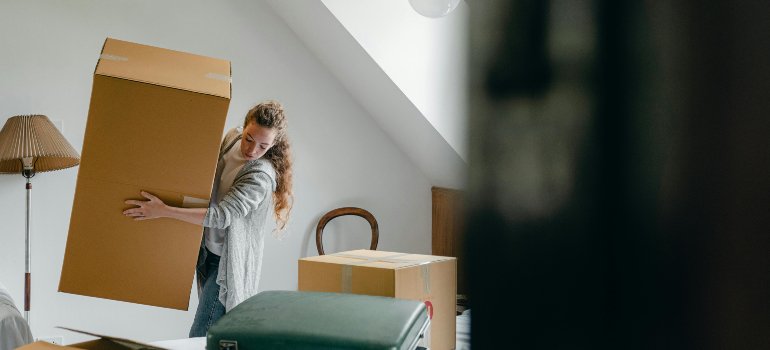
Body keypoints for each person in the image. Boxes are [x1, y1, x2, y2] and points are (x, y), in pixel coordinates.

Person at [122, 100, 293, 337]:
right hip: (207, 251)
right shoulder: (231, 140)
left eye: (263, 146)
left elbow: (221, 216)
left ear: (274, 144)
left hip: (228, 262)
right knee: (218, 334)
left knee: (203, 334)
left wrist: (163, 210)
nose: (252, 150)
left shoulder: (260, 177)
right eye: (249, 139)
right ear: (243, 128)